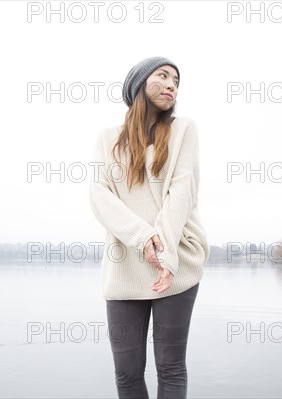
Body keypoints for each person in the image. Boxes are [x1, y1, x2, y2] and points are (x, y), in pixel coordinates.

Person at [89, 56, 210, 399]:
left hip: (178, 263)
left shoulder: (184, 129)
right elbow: (99, 196)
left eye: (176, 80)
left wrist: (165, 254)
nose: (172, 84)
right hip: (123, 266)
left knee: (170, 367)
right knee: (127, 374)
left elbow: (182, 192)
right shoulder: (107, 139)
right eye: (163, 76)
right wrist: (143, 239)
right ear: (140, 84)